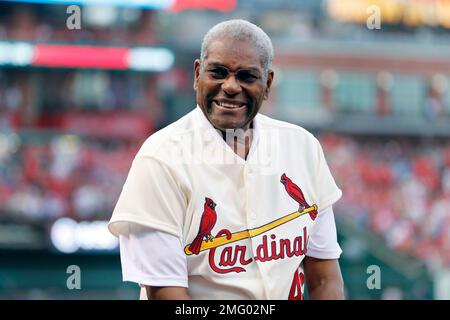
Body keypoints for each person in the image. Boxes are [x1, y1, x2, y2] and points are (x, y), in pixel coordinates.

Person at [108, 19, 344, 300]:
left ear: (267, 84)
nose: (230, 86)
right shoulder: (160, 158)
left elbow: (325, 280)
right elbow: (167, 295)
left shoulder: (303, 147)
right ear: (198, 74)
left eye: (246, 76)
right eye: (218, 72)